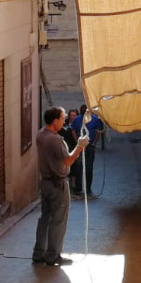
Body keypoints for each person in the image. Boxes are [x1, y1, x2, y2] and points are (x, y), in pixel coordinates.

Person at [32, 106, 89, 266]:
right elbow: (68, 160)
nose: (65, 120)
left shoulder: (40, 135)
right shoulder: (55, 140)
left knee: (45, 218)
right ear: (55, 120)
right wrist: (80, 146)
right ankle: (53, 255)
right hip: (58, 184)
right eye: (63, 118)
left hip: (46, 183)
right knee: (58, 220)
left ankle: (39, 252)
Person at [71, 103, 104, 198]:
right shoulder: (77, 119)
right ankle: (79, 188)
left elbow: (98, 131)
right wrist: (77, 142)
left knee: (89, 168)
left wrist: (94, 142)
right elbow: (73, 130)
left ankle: (88, 189)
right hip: (80, 147)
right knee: (79, 167)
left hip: (90, 147)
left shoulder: (94, 119)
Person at [62, 108, 82, 196]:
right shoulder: (64, 123)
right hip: (66, 146)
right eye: (71, 115)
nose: (73, 117)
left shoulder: (79, 123)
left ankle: (74, 187)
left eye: (75, 115)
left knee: (75, 167)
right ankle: (68, 187)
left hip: (74, 146)